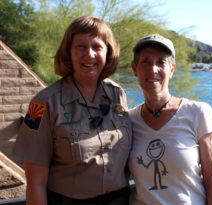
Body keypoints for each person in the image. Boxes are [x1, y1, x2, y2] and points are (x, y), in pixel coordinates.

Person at [13, 16, 132, 205]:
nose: (90, 54)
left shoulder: (117, 94)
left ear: (108, 52)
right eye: (80, 47)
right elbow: (35, 182)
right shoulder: (42, 103)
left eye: (97, 47)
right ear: (68, 52)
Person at [128, 34, 212, 205]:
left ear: (172, 69)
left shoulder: (199, 113)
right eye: (145, 62)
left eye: (161, 62)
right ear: (135, 69)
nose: (153, 69)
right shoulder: (129, 120)